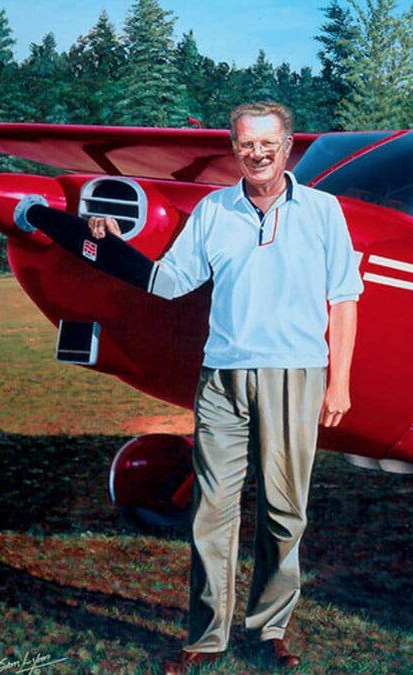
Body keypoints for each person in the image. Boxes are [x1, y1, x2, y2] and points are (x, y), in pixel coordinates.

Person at [88, 101, 363, 673]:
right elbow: (170, 282)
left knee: (285, 512)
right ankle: (207, 637)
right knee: (211, 512)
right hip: (222, 376)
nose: (257, 154)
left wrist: (339, 382)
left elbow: (343, 298)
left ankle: (269, 630)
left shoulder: (323, 210)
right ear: (234, 149)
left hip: (296, 373)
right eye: (246, 144)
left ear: (287, 147)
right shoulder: (214, 209)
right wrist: (112, 243)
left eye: (267, 144)